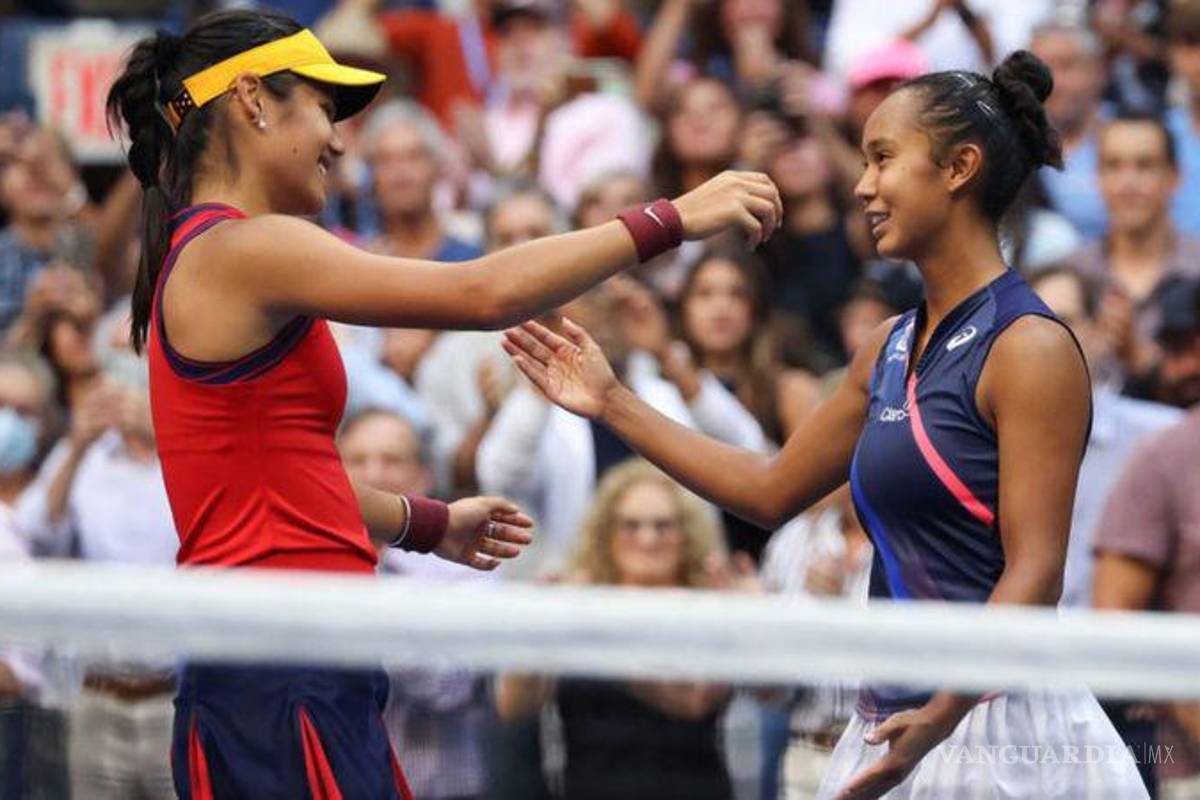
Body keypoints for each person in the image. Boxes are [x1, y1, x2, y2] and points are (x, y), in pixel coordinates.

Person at [104, 9, 779, 797]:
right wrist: (673, 218)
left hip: (286, 658)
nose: (338, 139)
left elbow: (277, 482)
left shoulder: (221, 251)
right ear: (253, 100)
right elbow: (482, 289)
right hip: (279, 661)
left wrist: (426, 523)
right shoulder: (244, 247)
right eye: (324, 107)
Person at [503, 51, 1149, 798]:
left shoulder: (1029, 347)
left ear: (959, 167)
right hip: (898, 723)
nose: (862, 184)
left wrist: (943, 712)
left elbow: (1034, 572)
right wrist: (612, 400)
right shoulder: (887, 347)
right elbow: (768, 488)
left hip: (1002, 725)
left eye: (883, 158)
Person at [496, 459, 735, 800]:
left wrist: (597, 631)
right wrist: (541, 627)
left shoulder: (706, 604)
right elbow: (513, 706)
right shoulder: (579, 601)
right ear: (607, 532)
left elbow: (697, 700)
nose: (647, 539)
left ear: (686, 532)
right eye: (631, 525)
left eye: (663, 525)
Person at [1091, 277, 1200, 798]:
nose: (1181, 369)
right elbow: (1115, 623)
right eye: (1173, 349)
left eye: (1193, 347)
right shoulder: (1164, 457)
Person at [1062, 114, 1200, 396]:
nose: (1128, 183)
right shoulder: (1070, 275)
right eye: (1113, 166)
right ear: (1098, 178)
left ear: (1175, 177)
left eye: (1145, 165)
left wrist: (1142, 358)